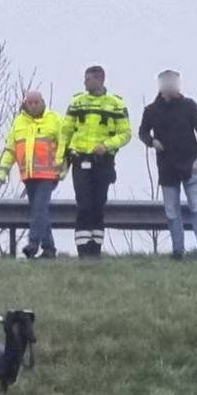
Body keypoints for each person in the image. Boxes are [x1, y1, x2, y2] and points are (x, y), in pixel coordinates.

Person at [138, 70, 197, 260]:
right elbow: (142, 132)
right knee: (171, 211)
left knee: (196, 208)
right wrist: (152, 141)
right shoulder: (152, 110)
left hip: (190, 165)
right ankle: (178, 251)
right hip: (166, 167)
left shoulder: (189, 106)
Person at [61, 65, 131, 257]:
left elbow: (125, 134)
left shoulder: (116, 104)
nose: (85, 82)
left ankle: (95, 250)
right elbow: (65, 131)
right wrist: (62, 158)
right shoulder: (77, 102)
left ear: (100, 79)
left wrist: (107, 145)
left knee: (98, 204)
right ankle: (83, 250)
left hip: (103, 161)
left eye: (88, 79)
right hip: (80, 159)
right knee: (84, 204)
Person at [0, 91, 66, 259]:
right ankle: (49, 249)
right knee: (40, 211)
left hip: (49, 175)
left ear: (43, 102)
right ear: (25, 104)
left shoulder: (54, 119)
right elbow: (11, 148)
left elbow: (64, 145)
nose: (33, 105)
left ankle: (33, 244)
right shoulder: (19, 122)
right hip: (28, 175)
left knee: (39, 209)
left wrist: (63, 167)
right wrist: (3, 170)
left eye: (36, 102)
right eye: (30, 102)